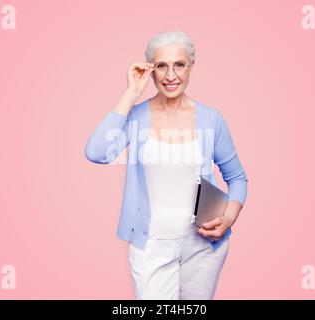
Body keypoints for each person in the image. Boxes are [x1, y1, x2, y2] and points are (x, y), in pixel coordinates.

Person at [85, 30, 248, 299]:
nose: (171, 76)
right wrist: (130, 93)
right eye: (161, 66)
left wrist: (228, 217)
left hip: (204, 246)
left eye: (179, 65)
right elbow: (97, 152)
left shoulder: (211, 118)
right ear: (150, 70)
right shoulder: (136, 117)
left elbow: (238, 178)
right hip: (151, 245)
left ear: (191, 67)